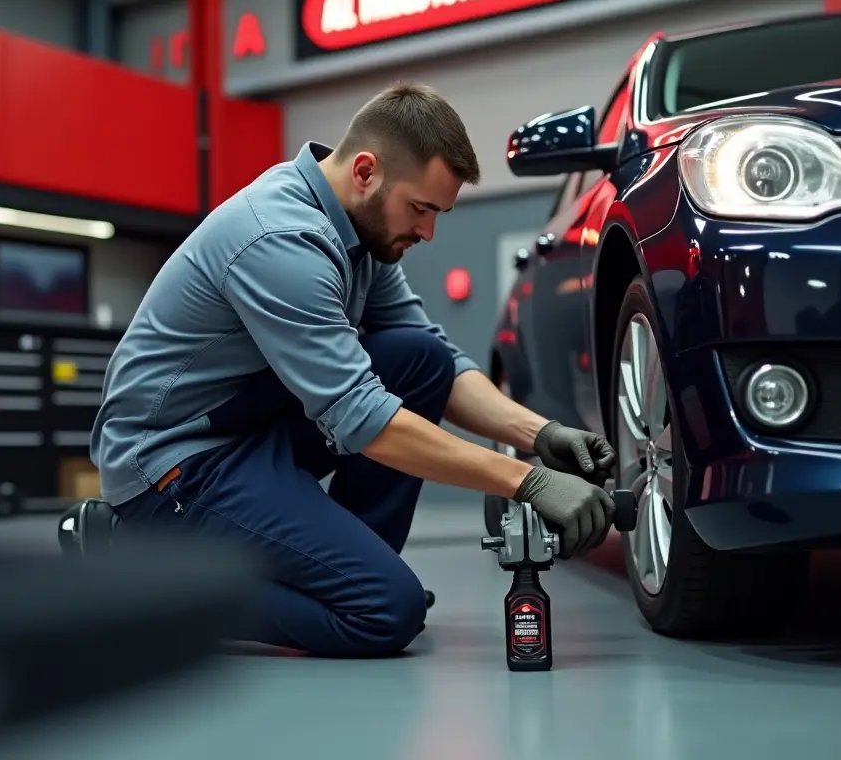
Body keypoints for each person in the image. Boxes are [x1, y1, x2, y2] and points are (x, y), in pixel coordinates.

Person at [90, 81, 617, 658]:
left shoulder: (361, 233)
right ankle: (150, 578)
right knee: (385, 612)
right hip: (177, 465)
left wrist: (540, 434)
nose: (428, 232)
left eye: (438, 214)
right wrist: (528, 480)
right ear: (365, 171)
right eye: (421, 209)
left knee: (418, 360)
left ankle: (343, 571)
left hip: (246, 430)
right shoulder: (280, 239)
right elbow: (364, 419)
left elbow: (435, 360)